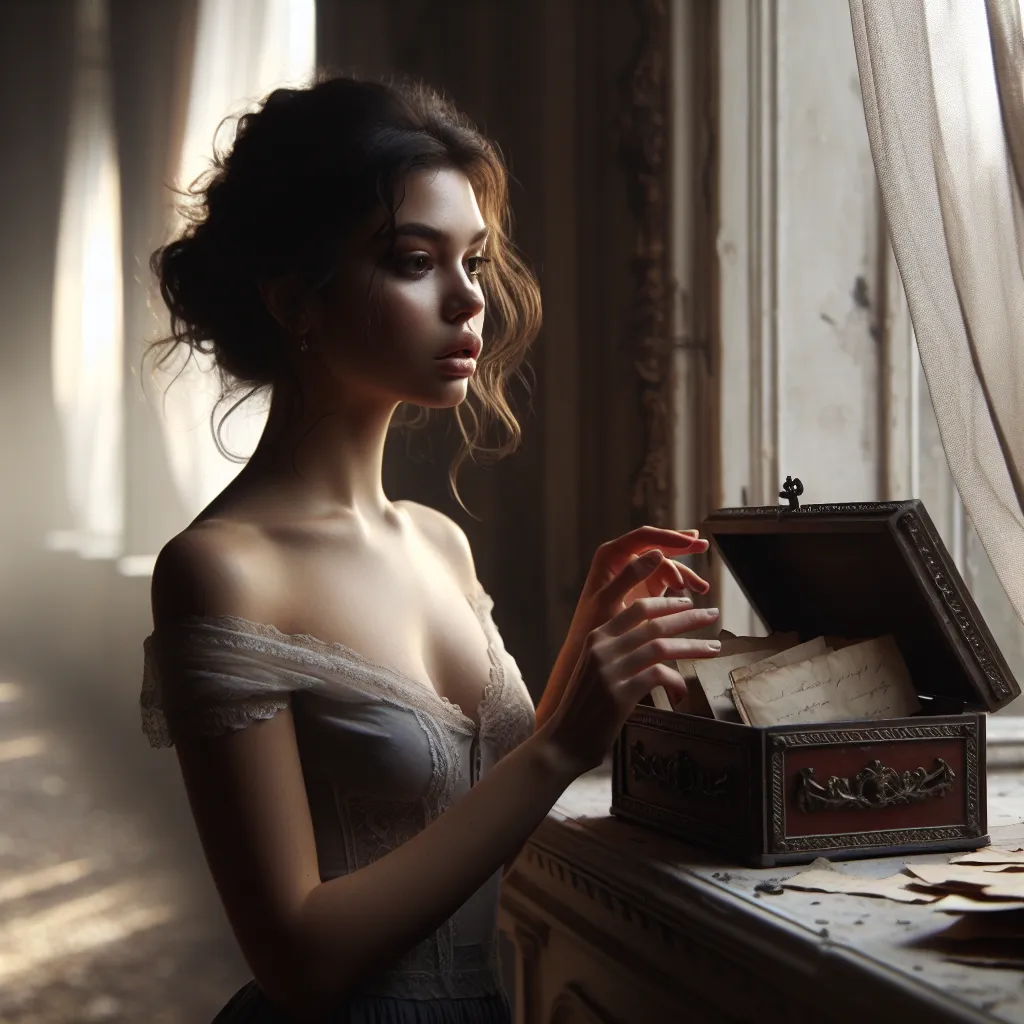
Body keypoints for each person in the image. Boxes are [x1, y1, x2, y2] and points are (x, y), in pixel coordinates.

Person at [139, 72, 722, 1024]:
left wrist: (585, 671)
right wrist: (560, 745)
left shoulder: (438, 543)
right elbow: (299, 958)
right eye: (416, 261)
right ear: (297, 300)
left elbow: (472, 805)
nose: (468, 302)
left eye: (476, 261)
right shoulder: (221, 568)